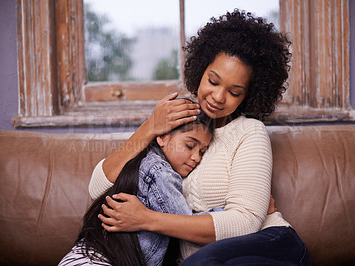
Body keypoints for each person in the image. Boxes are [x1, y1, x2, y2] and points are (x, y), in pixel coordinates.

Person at [89, 9, 311, 265]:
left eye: (234, 92)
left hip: (270, 244)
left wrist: (146, 219)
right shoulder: (174, 125)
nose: (218, 97)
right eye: (213, 81)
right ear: (200, 71)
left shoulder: (249, 131)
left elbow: (245, 222)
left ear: (249, 95)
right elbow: (97, 188)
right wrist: (149, 128)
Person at [59, 107, 215, 266]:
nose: (196, 158)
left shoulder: (142, 161)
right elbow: (189, 228)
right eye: (189, 145)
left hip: (79, 257)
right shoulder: (160, 173)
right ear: (162, 137)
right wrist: (225, 214)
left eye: (202, 151)